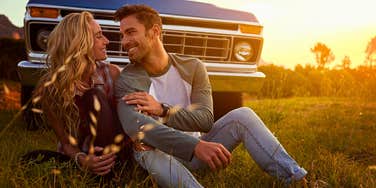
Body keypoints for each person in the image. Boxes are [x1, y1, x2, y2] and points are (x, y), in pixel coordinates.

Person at [114, 5, 307, 187]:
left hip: (199, 155)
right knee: (143, 147)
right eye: (122, 35)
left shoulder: (193, 67)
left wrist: (163, 110)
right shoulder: (128, 78)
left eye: (131, 32)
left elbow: (205, 120)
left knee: (243, 115)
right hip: (161, 157)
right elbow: (136, 126)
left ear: (155, 31)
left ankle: (297, 180)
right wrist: (194, 145)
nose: (124, 41)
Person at [32, 11, 133, 176]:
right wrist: (82, 159)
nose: (106, 41)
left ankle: (108, 173)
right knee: (30, 158)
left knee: (94, 96)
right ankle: (89, 170)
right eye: (99, 36)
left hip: (115, 155)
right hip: (82, 157)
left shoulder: (113, 74)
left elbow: (127, 125)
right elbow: (65, 143)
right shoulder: (50, 88)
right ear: (80, 43)